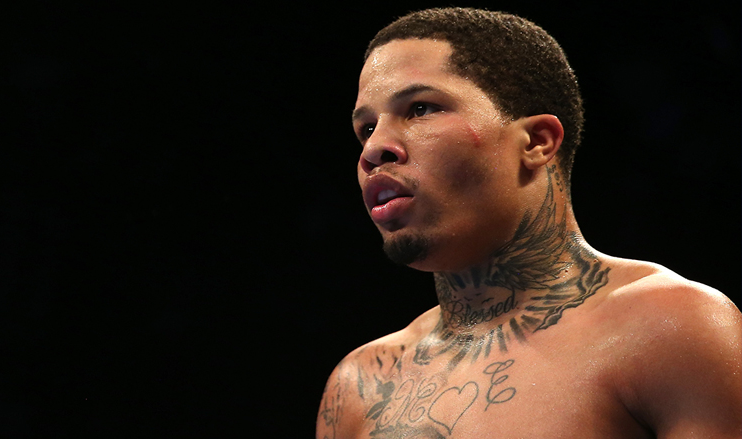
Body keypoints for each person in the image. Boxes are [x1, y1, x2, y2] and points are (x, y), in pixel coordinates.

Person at [316, 7, 741, 439]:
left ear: (537, 142)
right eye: (366, 128)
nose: (374, 150)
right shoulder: (359, 386)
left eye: (420, 108)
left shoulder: (669, 326)